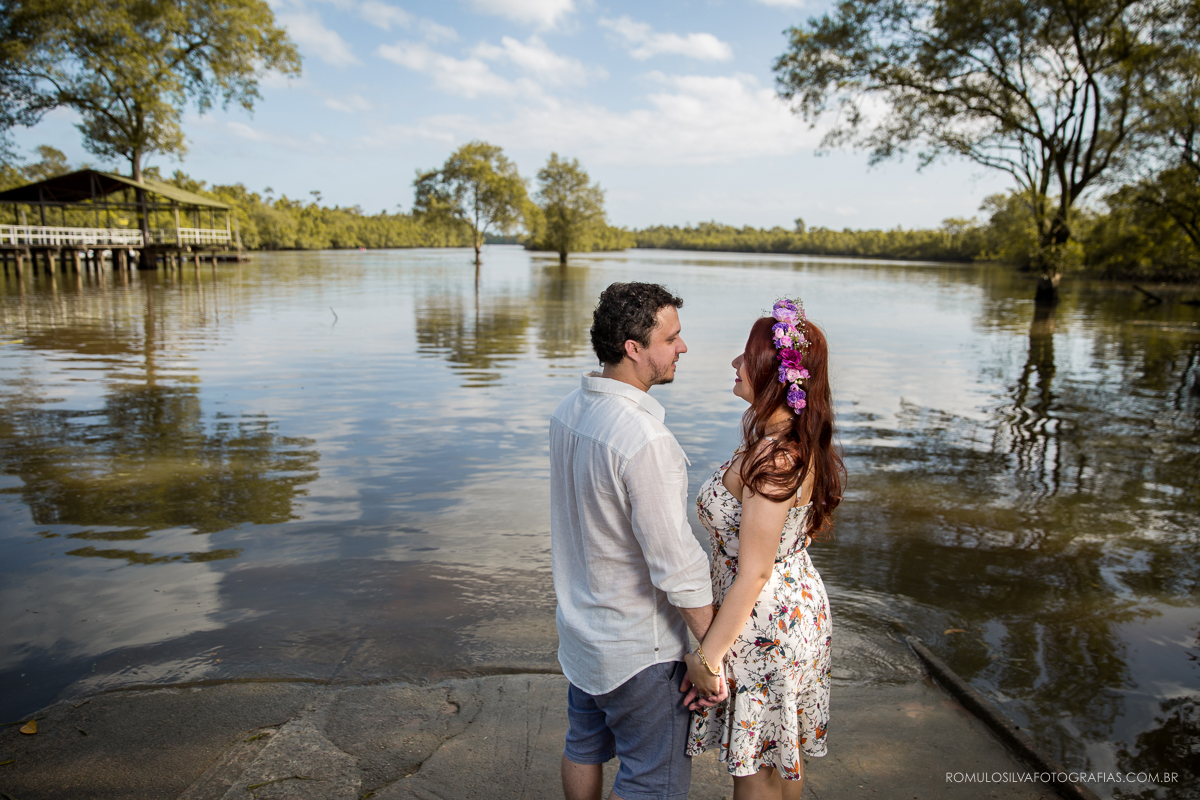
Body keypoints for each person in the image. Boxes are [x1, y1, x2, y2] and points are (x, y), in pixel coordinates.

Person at [550, 281, 727, 800]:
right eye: (671, 338)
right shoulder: (644, 439)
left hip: (582, 634)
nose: (683, 348)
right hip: (638, 651)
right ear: (634, 348)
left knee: (583, 746)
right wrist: (713, 651)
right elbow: (677, 564)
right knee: (653, 781)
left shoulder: (569, 409)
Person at [684, 299, 845, 800]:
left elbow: (753, 571)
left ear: (774, 373)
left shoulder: (776, 457)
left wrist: (707, 658)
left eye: (746, 356)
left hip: (765, 624)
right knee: (779, 761)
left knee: (755, 771)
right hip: (788, 611)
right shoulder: (783, 441)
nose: (735, 364)